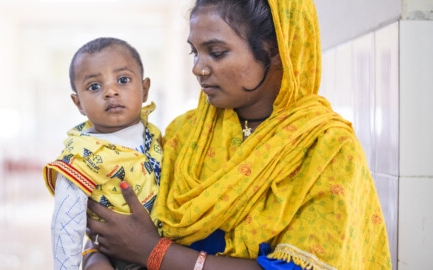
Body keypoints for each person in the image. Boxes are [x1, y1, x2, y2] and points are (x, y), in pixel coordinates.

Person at [84, 0, 392, 269]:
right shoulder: (185, 134)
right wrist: (95, 257)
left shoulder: (327, 147)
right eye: (195, 52)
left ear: (274, 50)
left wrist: (154, 253)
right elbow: (121, 221)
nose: (198, 68)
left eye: (216, 53)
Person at [43, 37, 163, 270]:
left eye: (123, 80)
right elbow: (67, 226)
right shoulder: (80, 158)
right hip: (113, 255)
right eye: (94, 86)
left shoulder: (157, 135)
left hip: (168, 250)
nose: (110, 91)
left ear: (145, 89)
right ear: (78, 104)